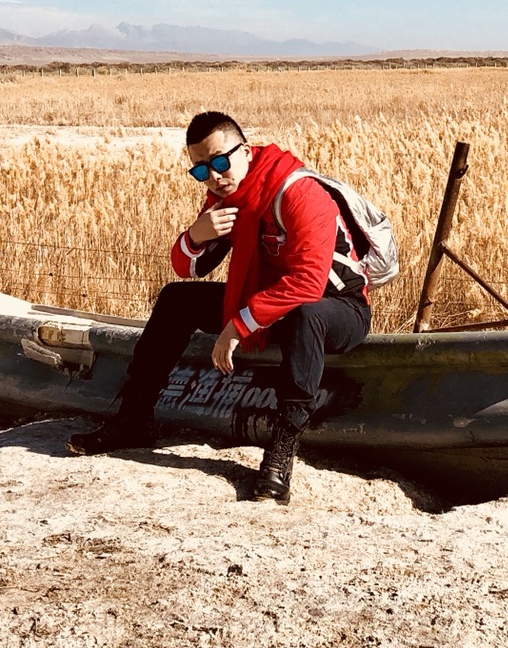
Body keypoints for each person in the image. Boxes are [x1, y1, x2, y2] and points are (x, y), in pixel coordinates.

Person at [67, 111, 373, 503]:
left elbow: (308, 283)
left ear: (245, 152)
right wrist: (197, 234)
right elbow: (187, 266)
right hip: (272, 303)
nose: (214, 176)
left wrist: (238, 325)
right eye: (201, 170)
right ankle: (133, 419)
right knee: (176, 299)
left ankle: (280, 455)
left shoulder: (298, 193)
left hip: (338, 308)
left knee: (305, 314)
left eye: (221, 162)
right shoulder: (227, 200)